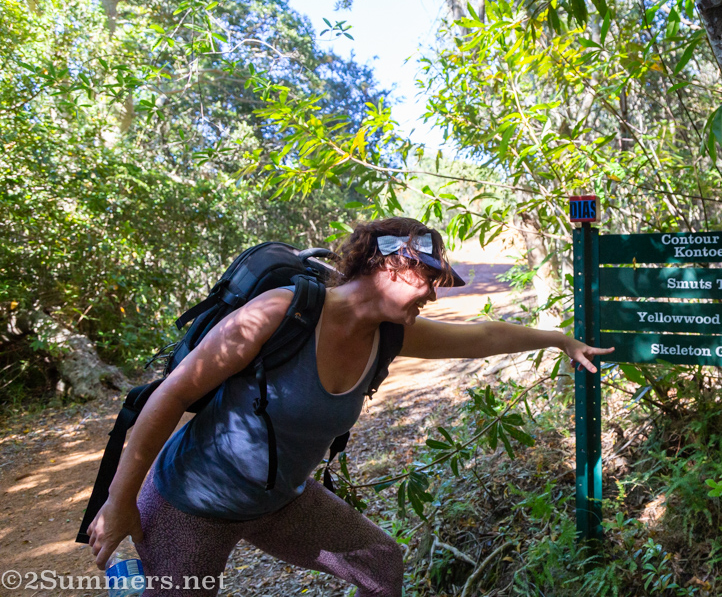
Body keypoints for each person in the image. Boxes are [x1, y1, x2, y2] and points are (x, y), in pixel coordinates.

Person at [86, 217, 612, 597]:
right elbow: (171, 395)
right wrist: (120, 500)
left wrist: (558, 339)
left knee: (379, 563)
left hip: (281, 501)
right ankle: (131, 583)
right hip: (191, 503)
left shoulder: (390, 335)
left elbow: (482, 334)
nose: (434, 292)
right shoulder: (281, 311)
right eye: (428, 276)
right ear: (388, 263)